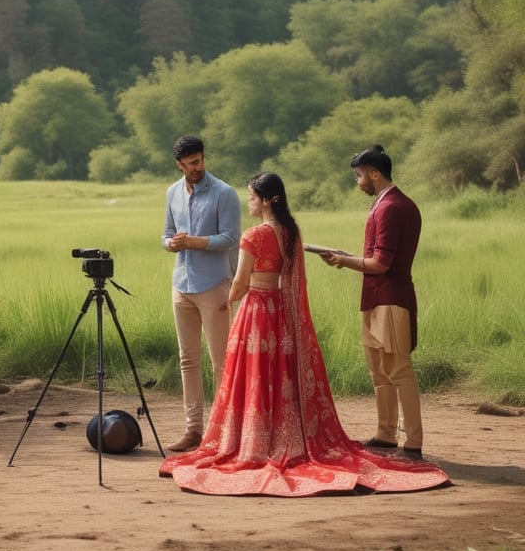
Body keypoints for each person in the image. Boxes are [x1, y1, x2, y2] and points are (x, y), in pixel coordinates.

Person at [160, 171, 448, 496]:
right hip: (280, 313)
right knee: (277, 377)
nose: (250, 202)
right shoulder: (291, 232)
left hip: (255, 310)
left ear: (269, 200)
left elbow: (240, 281)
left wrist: (228, 301)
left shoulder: (254, 235)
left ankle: (255, 440)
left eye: (253, 197)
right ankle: (283, 435)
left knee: (253, 377)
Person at [320, 144, 427, 459]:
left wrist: (343, 261)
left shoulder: (391, 207)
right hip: (377, 297)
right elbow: (377, 260)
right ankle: (385, 434)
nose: (358, 182)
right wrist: (348, 258)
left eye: (359, 176)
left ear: (374, 174)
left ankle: (413, 442)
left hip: (391, 300)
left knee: (399, 370)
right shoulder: (388, 204)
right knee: (380, 371)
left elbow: (380, 264)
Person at [162, 135, 240, 453]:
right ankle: (193, 429)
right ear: (179, 165)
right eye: (191, 163)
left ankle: (223, 431)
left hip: (214, 284)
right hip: (182, 284)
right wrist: (172, 244)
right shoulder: (172, 192)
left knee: (220, 362)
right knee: (187, 360)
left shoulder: (224, 193)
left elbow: (232, 237)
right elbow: (166, 234)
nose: (198, 167)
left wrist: (194, 241)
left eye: (201, 160)